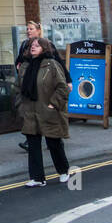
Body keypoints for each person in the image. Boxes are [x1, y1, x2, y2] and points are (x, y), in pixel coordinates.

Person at [19, 37, 72, 188]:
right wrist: (20, 106)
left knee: (53, 143)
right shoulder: (25, 66)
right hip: (30, 111)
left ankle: (63, 171)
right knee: (33, 145)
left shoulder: (52, 65)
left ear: (44, 48)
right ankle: (37, 178)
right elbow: (18, 88)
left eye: (37, 45)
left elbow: (63, 88)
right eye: (31, 45)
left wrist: (52, 105)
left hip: (48, 110)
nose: (33, 47)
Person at [14, 21, 72, 151]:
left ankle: (56, 142)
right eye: (27, 29)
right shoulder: (25, 44)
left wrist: (68, 80)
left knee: (50, 131)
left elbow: (57, 62)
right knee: (33, 123)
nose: (28, 31)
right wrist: (20, 65)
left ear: (39, 30)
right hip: (29, 83)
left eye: (31, 28)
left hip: (45, 88)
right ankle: (32, 143)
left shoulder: (47, 45)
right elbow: (20, 59)